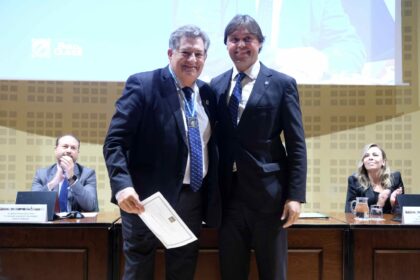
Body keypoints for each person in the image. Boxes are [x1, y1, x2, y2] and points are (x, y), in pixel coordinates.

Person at [103, 25, 220, 280]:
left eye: (199, 54)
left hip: (192, 199)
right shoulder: (143, 84)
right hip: (146, 200)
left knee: (183, 270)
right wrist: (122, 186)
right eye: (186, 52)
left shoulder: (207, 93)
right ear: (170, 53)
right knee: (139, 271)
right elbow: (115, 142)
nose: (193, 60)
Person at [210, 15, 307, 280]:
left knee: (273, 273)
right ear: (226, 44)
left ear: (260, 44)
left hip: (270, 198)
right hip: (228, 198)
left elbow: (296, 144)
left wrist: (295, 196)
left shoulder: (281, 83)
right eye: (234, 39)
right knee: (231, 272)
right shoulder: (215, 85)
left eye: (247, 39)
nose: (240, 45)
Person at [31, 134, 98, 212]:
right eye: (65, 146)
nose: (69, 151)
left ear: (77, 152)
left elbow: (90, 206)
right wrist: (54, 182)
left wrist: (71, 178)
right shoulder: (41, 174)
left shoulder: (87, 174)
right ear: (56, 149)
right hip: (50, 223)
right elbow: (33, 205)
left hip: (77, 222)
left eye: (73, 148)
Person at [345, 143, 404, 214]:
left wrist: (393, 204)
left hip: (390, 224)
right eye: (366, 156)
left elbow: (402, 214)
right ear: (363, 162)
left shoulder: (395, 178)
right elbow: (349, 213)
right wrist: (379, 205)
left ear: (383, 162)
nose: (370, 158)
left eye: (375, 155)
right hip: (364, 224)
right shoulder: (354, 181)